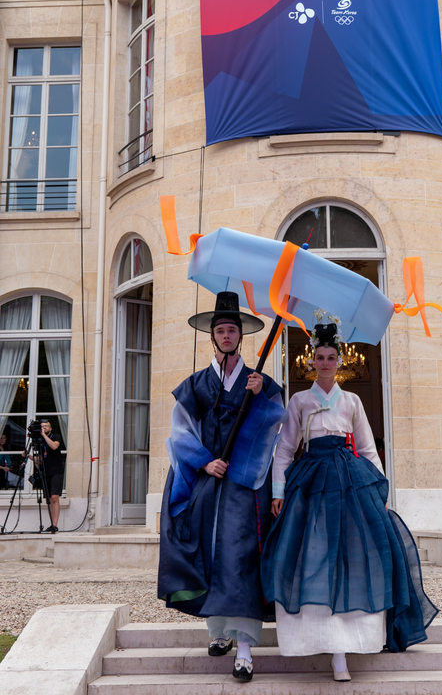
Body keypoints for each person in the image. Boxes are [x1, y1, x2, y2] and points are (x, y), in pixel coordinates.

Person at [261, 316, 438, 682]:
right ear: (311, 360)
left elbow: (370, 450)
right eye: (320, 357)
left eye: (331, 358)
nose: (325, 363)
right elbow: (283, 451)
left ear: (340, 361)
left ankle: (349, 644)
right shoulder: (299, 400)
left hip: (349, 478)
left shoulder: (352, 401)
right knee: (309, 552)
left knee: (354, 554)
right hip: (310, 478)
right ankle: (311, 638)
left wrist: (380, 492)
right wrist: (278, 492)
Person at [158, 292, 286, 683]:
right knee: (210, 555)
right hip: (207, 481)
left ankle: (245, 644)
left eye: (232, 329)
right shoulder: (196, 384)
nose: (227, 335)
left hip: (246, 485)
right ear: (213, 337)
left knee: (242, 557)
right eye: (221, 330)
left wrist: (259, 393)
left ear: (240, 337)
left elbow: (276, 427)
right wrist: (204, 460)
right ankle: (218, 632)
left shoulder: (260, 382)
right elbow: (179, 433)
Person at [36, 419, 64, 533]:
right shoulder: (41, 442)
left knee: (54, 497)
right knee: (48, 499)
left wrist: (43, 435)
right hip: (46, 473)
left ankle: (55, 525)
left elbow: (54, 447)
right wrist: (28, 456)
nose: (44, 428)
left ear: (50, 428)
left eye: (46, 426)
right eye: (42, 426)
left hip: (57, 471)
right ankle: (52, 524)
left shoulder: (55, 437)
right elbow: (41, 460)